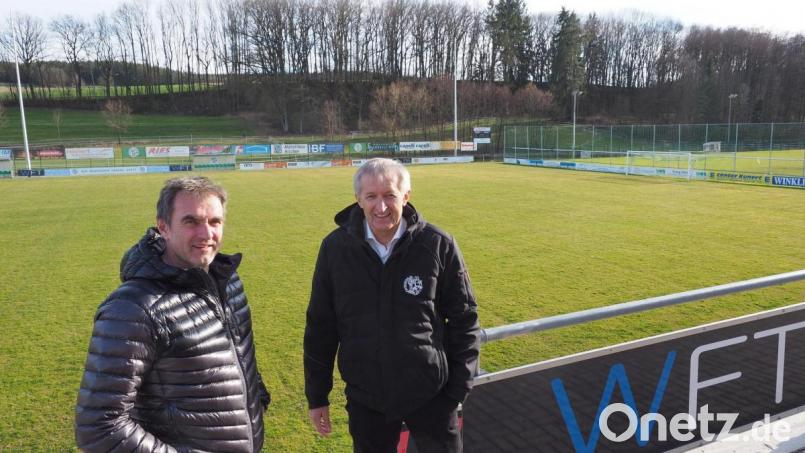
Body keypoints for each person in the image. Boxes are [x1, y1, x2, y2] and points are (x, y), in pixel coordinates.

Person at [75, 176, 270, 452]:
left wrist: (256, 399)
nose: (206, 234)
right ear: (163, 227)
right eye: (191, 221)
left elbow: (238, 351)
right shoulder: (134, 308)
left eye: (215, 222)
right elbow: (98, 426)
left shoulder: (228, 281)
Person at [304, 158, 481, 452]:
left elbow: (465, 320)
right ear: (358, 199)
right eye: (371, 196)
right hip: (367, 400)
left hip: (433, 396)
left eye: (389, 195)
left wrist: (457, 390)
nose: (381, 207)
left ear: (406, 196)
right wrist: (317, 396)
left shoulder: (438, 244)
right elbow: (320, 327)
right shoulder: (335, 249)